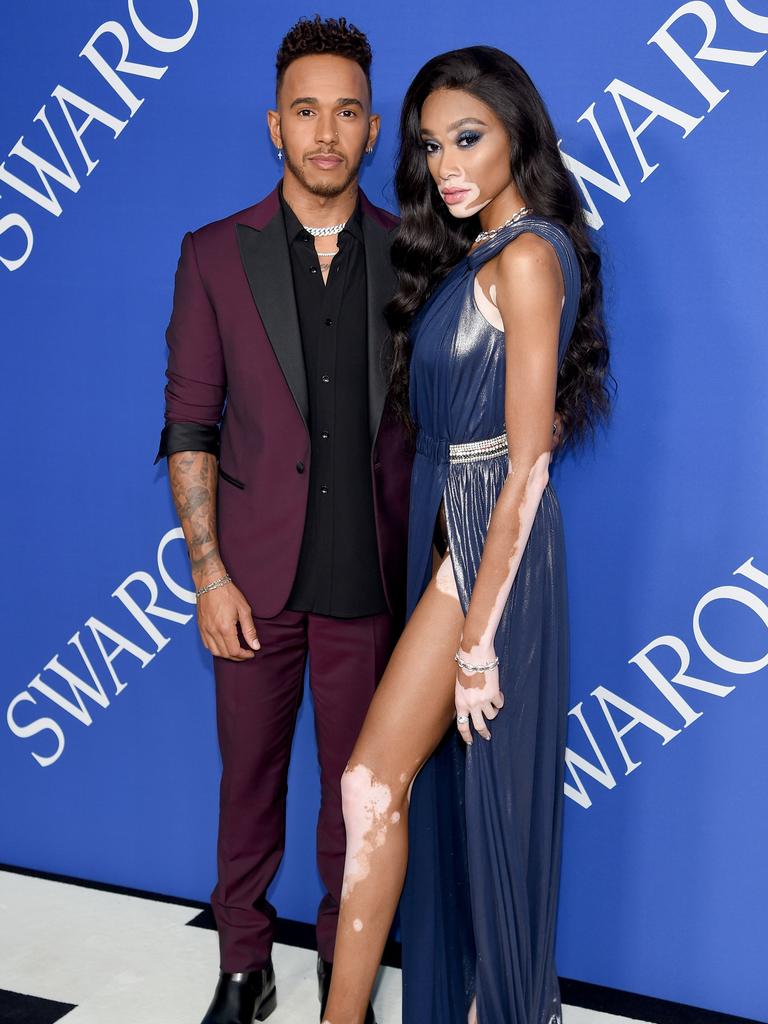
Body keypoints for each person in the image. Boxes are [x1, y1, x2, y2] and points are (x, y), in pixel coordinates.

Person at [322, 46, 611, 1024]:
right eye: (430, 145)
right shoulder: (487, 252)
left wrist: (480, 639)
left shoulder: (528, 256)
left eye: (469, 138)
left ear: (520, 135)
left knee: (375, 779)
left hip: (490, 538)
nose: (445, 162)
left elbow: (528, 459)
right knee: (396, 789)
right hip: (457, 522)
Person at [154, 17, 411, 1024]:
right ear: (275, 125)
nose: (326, 132)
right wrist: (209, 572)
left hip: (371, 579)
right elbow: (189, 421)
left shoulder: (417, 256)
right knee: (247, 787)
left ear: (373, 127)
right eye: (306, 110)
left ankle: (342, 989)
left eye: (346, 111)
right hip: (253, 580)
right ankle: (243, 966)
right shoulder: (215, 254)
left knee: (358, 805)